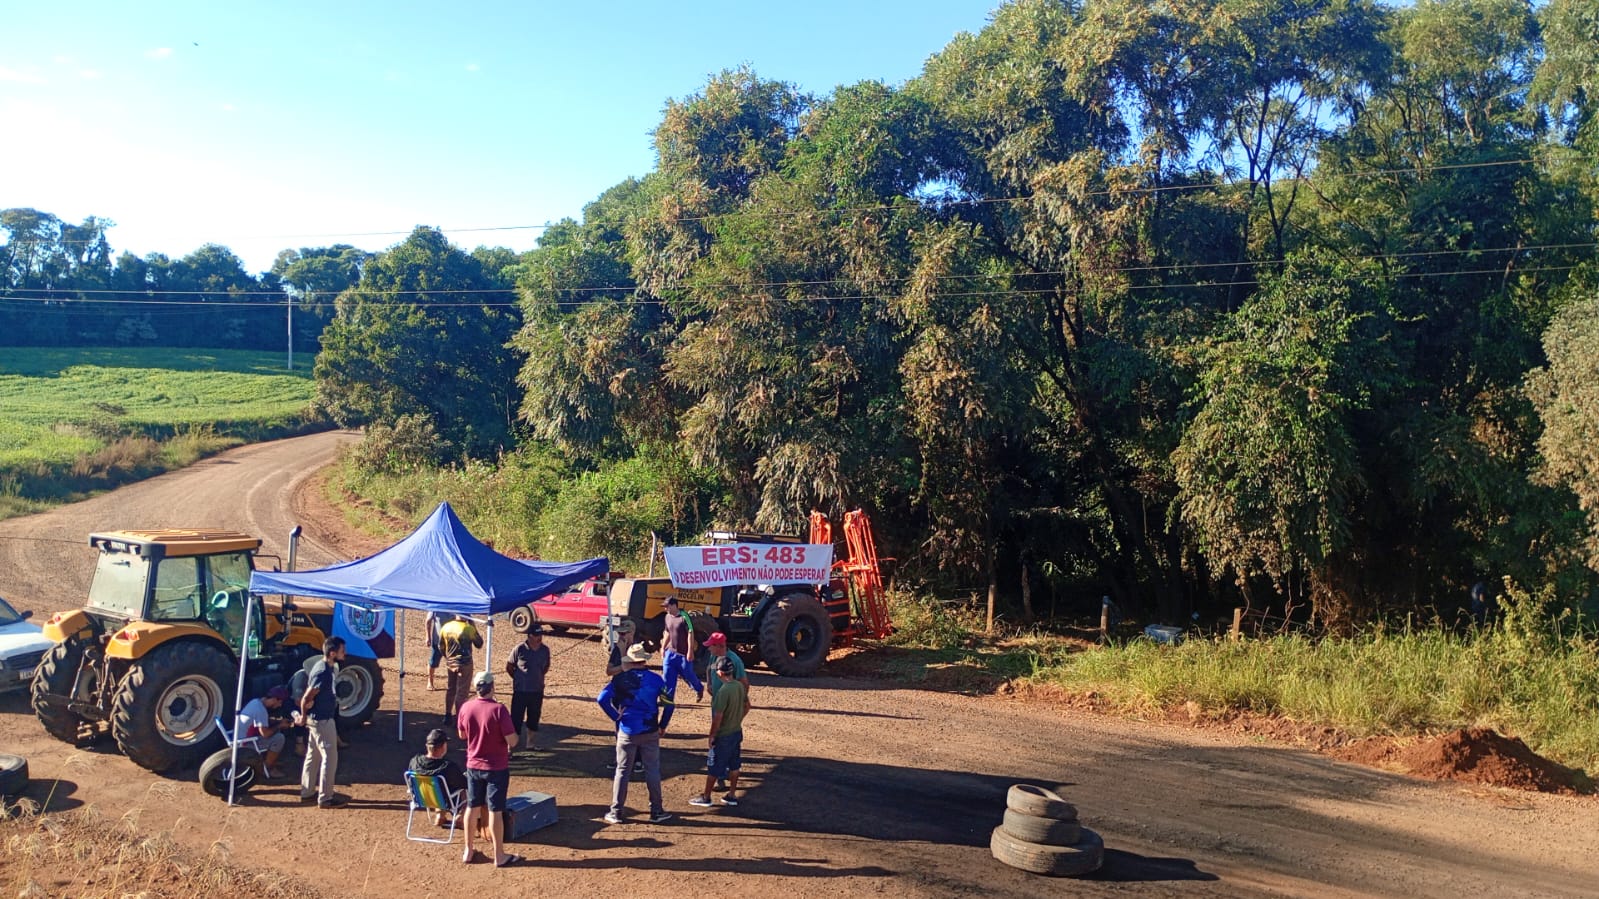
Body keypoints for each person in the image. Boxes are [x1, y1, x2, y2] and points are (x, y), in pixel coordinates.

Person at [596, 643, 675, 825]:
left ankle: (616, 812)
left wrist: (616, 717)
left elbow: (602, 699)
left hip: (627, 731)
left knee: (622, 771)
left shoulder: (620, 679)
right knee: (652, 769)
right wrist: (662, 725)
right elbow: (670, 705)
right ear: (644, 660)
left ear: (630, 661)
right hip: (650, 730)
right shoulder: (656, 680)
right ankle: (656, 811)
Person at [457, 671, 520, 867]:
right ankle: (499, 855)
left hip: (473, 765)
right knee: (495, 810)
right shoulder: (499, 710)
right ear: (492, 687)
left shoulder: (466, 707)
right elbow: (512, 741)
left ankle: (468, 850)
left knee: (472, 807)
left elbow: (462, 734)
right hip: (496, 768)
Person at [689, 657, 747, 808]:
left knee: (714, 767)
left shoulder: (723, 691)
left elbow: (717, 717)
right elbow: (747, 706)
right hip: (736, 732)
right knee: (734, 765)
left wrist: (712, 735)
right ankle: (731, 795)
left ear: (720, 673)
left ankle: (706, 797)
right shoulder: (739, 686)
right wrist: (737, 719)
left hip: (724, 735)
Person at [298, 637, 349, 808]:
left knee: (313, 756)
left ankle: (307, 793)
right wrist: (303, 715)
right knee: (330, 758)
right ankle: (326, 798)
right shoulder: (323, 672)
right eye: (342, 651)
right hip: (322, 721)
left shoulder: (325, 668)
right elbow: (307, 697)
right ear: (332, 653)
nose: (345, 653)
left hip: (318, 720)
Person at [408, 727, 467, 828]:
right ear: (443, 746)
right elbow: (464, 784)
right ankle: (461, 816)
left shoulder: (415, 761)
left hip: (423, 797)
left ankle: (440, 815)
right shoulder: (447, 767)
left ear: (427, 746)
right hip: (446, 800)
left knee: (438, 789)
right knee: (465, 787)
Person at [505, 626, 551, 752]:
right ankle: (511, 747)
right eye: (537, 635)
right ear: (530, 636)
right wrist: (518, 678)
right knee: (516, 718)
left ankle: (530, 743)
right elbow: (509, 666)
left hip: (536, 691)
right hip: (520, 691)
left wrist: (537, 678)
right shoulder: (519, 649)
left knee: (534, 718)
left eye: (540, 635)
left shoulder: (545, 650)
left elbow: (546, 667)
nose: (539, 638)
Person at [236, 685, 295, 779]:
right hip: (245, 744)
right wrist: (279, 726)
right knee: (279, 738)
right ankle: (267, 768)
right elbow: (265, 734)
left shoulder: (255, 702)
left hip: (239, 739)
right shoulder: (261, 710)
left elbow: (262, 721)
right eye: (280, 702)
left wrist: (278, 721)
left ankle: (271, 761)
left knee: (276, 733)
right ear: (275, 699)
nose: (280, 705)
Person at [660, 597, 705, 702]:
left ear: (674, 605)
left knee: (688, 675)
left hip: (683, 654)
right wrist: (663, 647)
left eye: (667, 606)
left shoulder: (684, 617)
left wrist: (690, 651)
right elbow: (667, 632)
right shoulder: (667, 617)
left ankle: (699, 688)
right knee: (667, 676)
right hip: (670, 653)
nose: (665, 609)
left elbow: (690, 633)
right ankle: (667, 700)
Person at [439, 614, 483, 719]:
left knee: (451, 689)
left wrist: (448, 658)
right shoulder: (468, 628)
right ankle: (459, 719)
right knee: (462, 693)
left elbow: (441, 646)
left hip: (451, 663)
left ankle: (448, 715)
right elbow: (479, 643)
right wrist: (473, 625)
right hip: (465, 663)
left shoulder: (446, 627)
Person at [426, 611, 455, 691]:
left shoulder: (454, 606)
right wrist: (428, 637)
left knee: (452, 662)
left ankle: (452, 685)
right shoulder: (436, 606)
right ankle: (430, 682)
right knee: (433, 662)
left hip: (451, 642)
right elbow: (428, 621)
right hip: (437, 641)